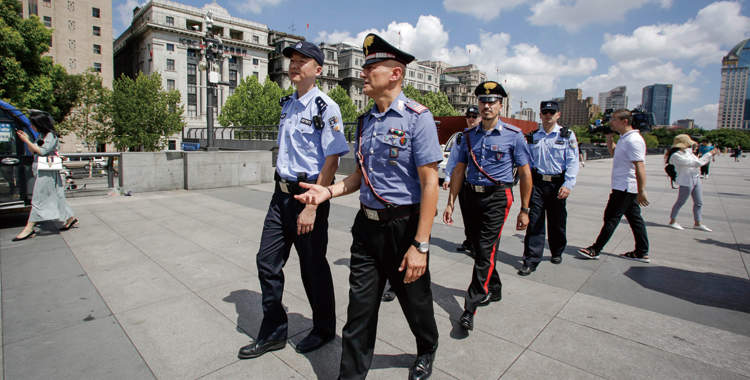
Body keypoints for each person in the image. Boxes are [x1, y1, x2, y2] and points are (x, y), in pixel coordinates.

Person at [295, 33, 440, 380]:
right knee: (359, 311)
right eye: (363, 66)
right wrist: (326, 193)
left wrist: (421, 244)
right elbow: (359, 177)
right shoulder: (364, 122)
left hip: (405, 228)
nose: (363, 72)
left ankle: (426, 346)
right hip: (367, 229)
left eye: (371, 66)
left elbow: (430, 182)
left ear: (395, 73)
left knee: (415, 302)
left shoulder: (418, 118)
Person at [238, 41, 349, 359]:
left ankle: (325, 329)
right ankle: (273, 331)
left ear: (318, 69)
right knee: (266, 261)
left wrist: (312, 206)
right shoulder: (287, 104)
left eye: (303, 61)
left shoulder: (325, 108)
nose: (295, 65)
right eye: (292, 61)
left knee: (313, 267)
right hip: (279, 197)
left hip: (308, 196)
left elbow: (332, 160)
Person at [442, 81, 532, 333]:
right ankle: (495, 287)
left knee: (484, 250)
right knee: (477, 246)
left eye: (492, 101)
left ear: (501, 106)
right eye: (483, 101)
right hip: (470, 197)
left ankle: (470, 307)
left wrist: (525, 209)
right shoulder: (468, 136)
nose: (487, 105)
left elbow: (525, 174)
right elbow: (459, 169)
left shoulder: (513, 136)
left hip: (497, 197)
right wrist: (450, 203)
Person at [577, 109, 650, 263]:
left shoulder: (634, 140)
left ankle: (595, 249)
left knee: (611, 217)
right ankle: (641, 251)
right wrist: (609, 138)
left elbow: (640, 166)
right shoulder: (625, 138)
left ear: (625, 121)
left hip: (625, 187)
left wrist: (641, 190)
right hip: (623, 186)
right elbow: (614, 153)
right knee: (635, 219)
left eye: (614, 119)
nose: (611, 122)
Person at [518, 101, 579, 276]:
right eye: (545, 112)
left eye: (552, 112)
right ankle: (531, 259)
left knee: (557, 221)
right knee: (535, 221)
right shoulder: (533, 136)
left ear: (558, 114)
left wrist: (568, 184)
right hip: (537, 183)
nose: (548, 115)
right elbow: (527, 163)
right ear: (540, 114)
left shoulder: (567, 135)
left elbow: (573, 161)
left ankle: (557, 250)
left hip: (557, 183)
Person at [13, 110, 77, 241]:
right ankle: (70, 218)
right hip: (43, 169)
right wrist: (27, 140)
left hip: (47, 171)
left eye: (33, 124)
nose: (31, 126)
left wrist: (27, 140)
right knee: (57, 195)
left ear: (40, 123)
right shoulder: (41, 135)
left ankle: (29, 227)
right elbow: (33, 150)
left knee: (38, 198)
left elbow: (42, 151)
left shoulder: (51, 136)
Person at [442, 105, 481, 255]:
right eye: (469, 116)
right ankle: (469, 241)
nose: (471, 119)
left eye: (474, 116)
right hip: (463, 181)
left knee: (478, 217)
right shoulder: (461, 137)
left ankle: (478, 245)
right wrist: (447, 177)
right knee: (467, 214)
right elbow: (453, 159)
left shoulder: (484, 136)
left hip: (478, 182)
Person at [668, 134, 718, 232]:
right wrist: (709, 154)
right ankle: (672, 221)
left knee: (699, 203)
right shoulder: (676, 155)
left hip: (696, 178)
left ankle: (697, 223)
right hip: (686, 180)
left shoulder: (688, 153)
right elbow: (697, 163)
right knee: (681, 202)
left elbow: (698, 162)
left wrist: (706, 155)